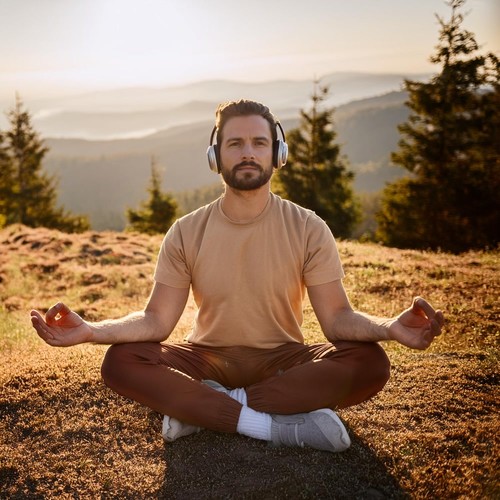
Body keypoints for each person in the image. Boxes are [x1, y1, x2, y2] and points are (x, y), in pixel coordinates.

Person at [30, 99, 444, 453]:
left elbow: (337, 321)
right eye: (235, 144)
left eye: (259, 143)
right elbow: (156, 322)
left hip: (283, 360)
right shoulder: (186, 230)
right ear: (217, 156)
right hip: (203, 360)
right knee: (120, 361)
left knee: (370, 360)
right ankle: (271, 425)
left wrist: (389, 328)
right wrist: (91, 331)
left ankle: (206, 410)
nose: (248, 152)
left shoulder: (308, 227)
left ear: (276, 153)